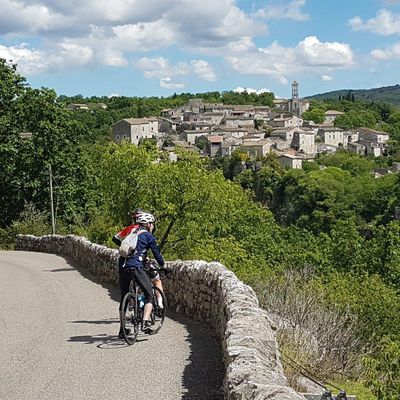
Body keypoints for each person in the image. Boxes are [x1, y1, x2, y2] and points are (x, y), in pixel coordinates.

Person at [115, 211, 165, 337]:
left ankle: (122, 330)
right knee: (149, 294)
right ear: (148, 224)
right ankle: (145, 322)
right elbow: (157, 254)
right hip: (136, 266)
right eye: (152, 224)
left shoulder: (131, 231)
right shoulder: (148, 236)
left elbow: (116, 239)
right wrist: (163, 266)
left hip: (122, 266)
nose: (153, 226)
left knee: (124, 296)